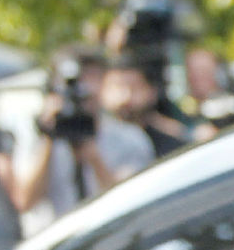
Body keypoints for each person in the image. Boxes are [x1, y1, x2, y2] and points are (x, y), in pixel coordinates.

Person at [9, 47, 155, 236]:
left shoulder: (130, 138)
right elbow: (24, 201)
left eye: (93, 79)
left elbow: (130, 204)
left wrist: (94, 158)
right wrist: (50, 137)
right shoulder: (36, 137)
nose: (86, 89)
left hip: (105, 239)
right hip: (51, 240)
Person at [99, 54, 186, 158]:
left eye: (135, 88)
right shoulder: (92, 143)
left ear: (152, 92)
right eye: (117, 87)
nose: (126, 97)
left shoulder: (171, 148)